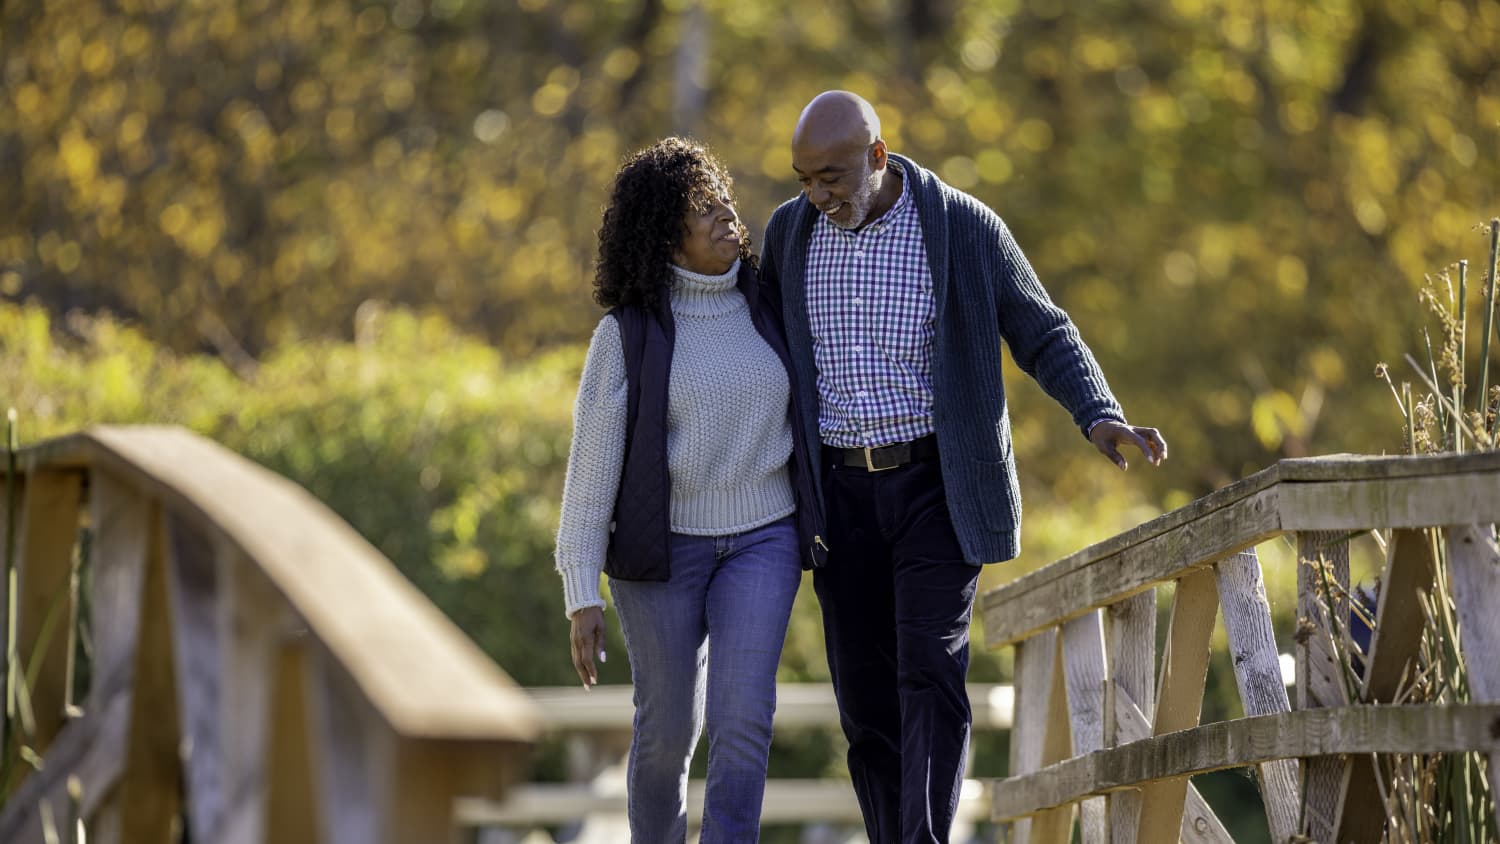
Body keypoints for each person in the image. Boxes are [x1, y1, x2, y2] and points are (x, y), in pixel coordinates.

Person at [758, 91, 1168, 843]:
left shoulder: (963, 228)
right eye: (803, 178)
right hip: (839, 495)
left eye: (833, 177)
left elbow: (1041, 328)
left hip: (936, 487)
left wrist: (1097, 412)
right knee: (865, 700)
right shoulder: (791, 234)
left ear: (877, 158)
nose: (818, 195)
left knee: (929, 673)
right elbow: (752, 344)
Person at [554, 137, 825, 843]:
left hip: (763, 538)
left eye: (722, 198)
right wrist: (582, 590)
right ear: (663, 237)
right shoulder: (627, 336)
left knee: (742, 719)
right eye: (701, 209)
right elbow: (591, 473)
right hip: (662, 556)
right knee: (667, 735)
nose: (725, 214)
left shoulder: (770, 305)